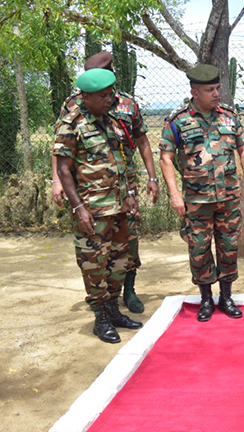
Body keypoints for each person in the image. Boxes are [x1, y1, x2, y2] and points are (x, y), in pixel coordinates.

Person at [50, 51, 159, 314]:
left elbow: (140, 140)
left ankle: (126, 293)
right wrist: (58, 182)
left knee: (127, 243)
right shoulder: (73, 108)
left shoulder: (125, 107)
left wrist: (148, 179)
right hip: (91, 192)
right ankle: (102, 309)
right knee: (95, 252)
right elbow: (61, 153)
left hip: (123, 187)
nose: (107, 98)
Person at [159, 64, 244, 322]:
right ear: (194, 92)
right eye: (209, 90)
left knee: (229, 247)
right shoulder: (177, 120)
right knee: (199, 249)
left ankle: (226, 297)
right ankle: (205, 299)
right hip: (196, 200)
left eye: (217, 88)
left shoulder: (229, 116)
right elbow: (166, 158)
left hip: (228, 198)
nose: (216, 94)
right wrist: (174, 194)